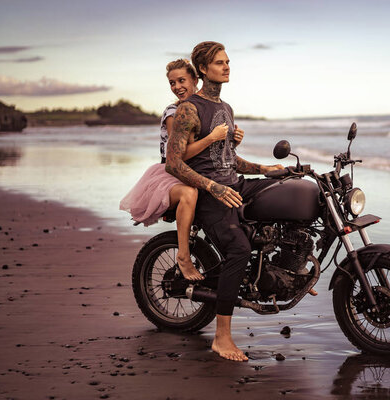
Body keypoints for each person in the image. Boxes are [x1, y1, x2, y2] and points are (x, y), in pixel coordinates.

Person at [165, 41, 284, 361]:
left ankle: (291, 272)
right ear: (203, 69)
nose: (227, 66)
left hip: (235, 184)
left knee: (286, 195)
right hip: (208, 193)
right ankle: (222, 337)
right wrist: (213, 189)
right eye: (219, 62)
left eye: (228, 61)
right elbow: (173, 163)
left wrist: (267, 169)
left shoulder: (227, 109)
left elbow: (228, 159)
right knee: (239, 249)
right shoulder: (190, 107)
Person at [120, 58, 244, 281]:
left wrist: (232, 142)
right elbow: (177, 156)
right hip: (171, 174)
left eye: (181, 80)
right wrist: (210, 138)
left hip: (194, 170)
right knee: (190, 193)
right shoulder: (173, 113)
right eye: (172, 83)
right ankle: (183, 256)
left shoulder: (205, 108)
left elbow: (213, 154)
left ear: (196, 80)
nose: (177, 87)